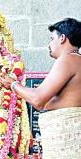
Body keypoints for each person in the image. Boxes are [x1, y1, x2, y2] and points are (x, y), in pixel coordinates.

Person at [4, 18, 81, 159]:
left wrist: (13, 84)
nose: (49, 45)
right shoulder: (77, 60)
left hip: (66, 144)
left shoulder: (68, 59)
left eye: (52, 39)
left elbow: (37, 99)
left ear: (62, 38)